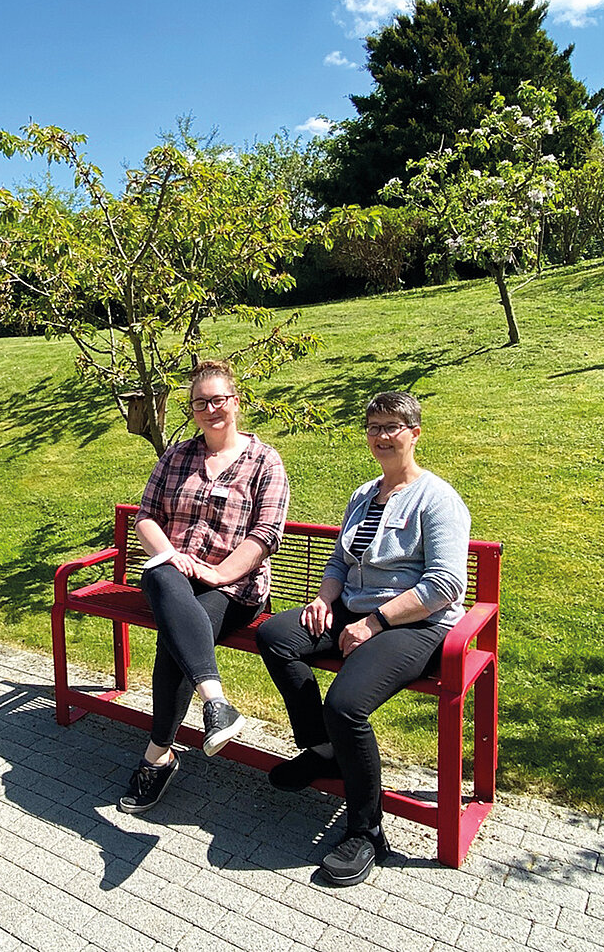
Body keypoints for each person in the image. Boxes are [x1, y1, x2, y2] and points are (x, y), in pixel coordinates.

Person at [256, 391, 470, 886]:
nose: (381, 436)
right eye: (373, 427)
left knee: (346, 705)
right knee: (276, 637)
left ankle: (366, 830)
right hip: (349, 613)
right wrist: (325, 600)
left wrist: (376, 623)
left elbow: (444, 585)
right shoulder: (363, 494)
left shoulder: (437, 499)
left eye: (393, 426)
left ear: (415, 433)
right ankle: (323, 751)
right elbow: (338, 564)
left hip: (415, 626)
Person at [118, 360, 291, 814]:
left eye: (219, 400)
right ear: (191, 410)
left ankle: (158, 755)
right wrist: (172, 557)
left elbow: (265, 535)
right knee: (159, 573)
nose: (211, 409)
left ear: (236, 402)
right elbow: (147, 517)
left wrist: (218, 574)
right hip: (174, 580)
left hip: (233, 590)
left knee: (175, 641)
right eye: (200, 402)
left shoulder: (264, 461)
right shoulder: (176, 457)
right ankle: (215, 701)